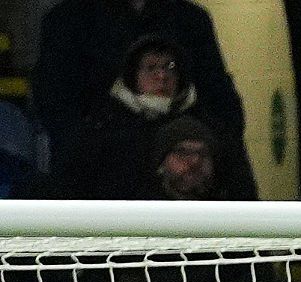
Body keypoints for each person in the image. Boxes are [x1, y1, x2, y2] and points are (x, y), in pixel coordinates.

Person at [35, 0, 244, 173]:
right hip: (101, 174)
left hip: (185, 175)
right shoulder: (68, 22)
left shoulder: (190, 20)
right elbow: (57, 111)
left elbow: (224, 110)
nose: (161, 77)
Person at [50, 34, 255, 200]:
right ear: (132, 75)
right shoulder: (102, 130)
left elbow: (239, 188)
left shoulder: (209, 127)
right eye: (151, 68)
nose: (162, 76)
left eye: (170, 67)